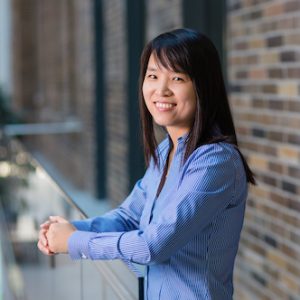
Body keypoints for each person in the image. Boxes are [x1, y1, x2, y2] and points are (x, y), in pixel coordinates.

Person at [38, 28, 255, 299]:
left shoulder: (215, 162)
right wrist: (69, 230)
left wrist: (73, 241)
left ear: (202, 86)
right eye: (153, 76)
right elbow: (129, 217)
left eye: (177, 77)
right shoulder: (167, 151)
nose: (160, 90)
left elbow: (153, 245)